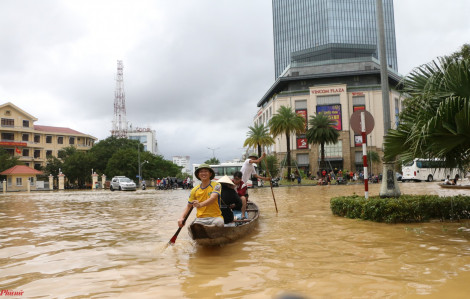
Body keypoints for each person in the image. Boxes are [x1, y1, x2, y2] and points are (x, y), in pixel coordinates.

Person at [177, 164, 224, 228]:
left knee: (219, 223)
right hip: (200, 219)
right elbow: (189, 206)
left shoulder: (217, 185)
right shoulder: (194, 190)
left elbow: (213, 198)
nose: (203, 173)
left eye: (206, 171)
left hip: (215, 217)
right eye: (201, 172)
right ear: (198, 175)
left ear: (210, 174)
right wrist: (181, 218)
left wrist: (200, 205)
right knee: (191, 227)